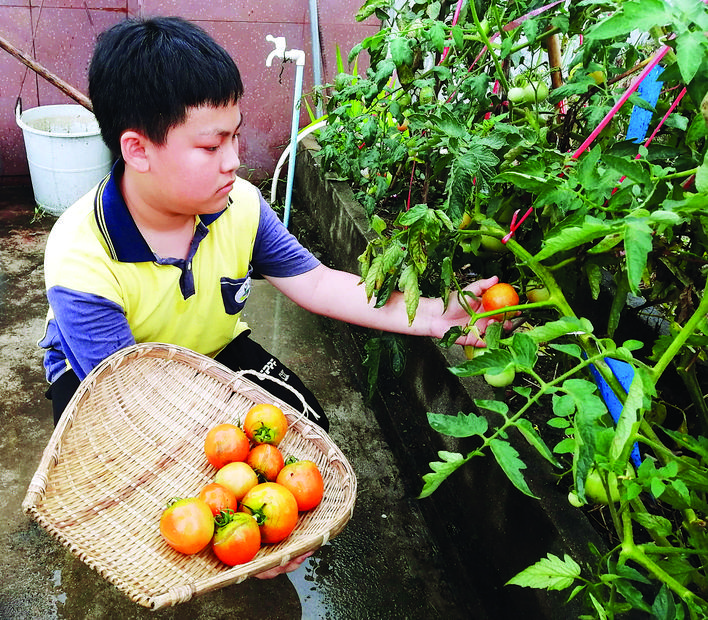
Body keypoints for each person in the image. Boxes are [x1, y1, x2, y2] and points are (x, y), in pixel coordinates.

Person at [39, 16, 501, 579]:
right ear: (138, 149)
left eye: (234, 135)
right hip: (109, 386)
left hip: (213, 357)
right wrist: (233, 510)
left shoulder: (241, 207)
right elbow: (133, 402)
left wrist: (435, 315)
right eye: (211, 145)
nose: (234, 159)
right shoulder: (80, 256)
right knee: (131, 493)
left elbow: (319, 283)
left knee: (308, 434)